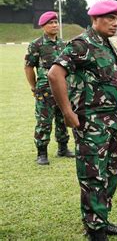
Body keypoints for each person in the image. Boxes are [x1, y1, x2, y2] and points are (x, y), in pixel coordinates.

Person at [48, 0, 117, 240]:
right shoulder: (81, 45)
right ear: (95, 19)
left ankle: (102, 219)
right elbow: (54, 74)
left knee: (111, 172)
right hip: (91, 122)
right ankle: (94, 229)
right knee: (93, 175)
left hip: (113, 121)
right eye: (109, 19)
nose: (114, 23)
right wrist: (67, 112)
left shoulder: (107, 44)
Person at [24, 11, 74, 165]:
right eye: (50, 23)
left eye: (56, 22)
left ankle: (63, 148)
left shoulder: (63, 44)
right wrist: (34, 87)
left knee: (62, 118)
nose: (54, 25)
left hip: (62, 89)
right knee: (44, 121)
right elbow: (28, 67)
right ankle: (42, 153)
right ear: (43, 26)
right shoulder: (37, 44)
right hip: (44, 90)